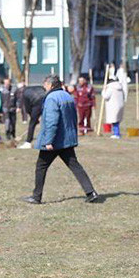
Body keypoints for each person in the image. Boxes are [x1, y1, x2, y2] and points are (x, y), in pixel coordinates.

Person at [23, 75, 99, 205]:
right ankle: (91, 192)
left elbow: (52, 121)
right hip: (66, 140)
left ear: (51, 85)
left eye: (45, 85)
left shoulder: (52, 98)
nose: (44, 88)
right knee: (75, 166)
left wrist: (48, 141)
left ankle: (36, 197)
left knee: (41, 166)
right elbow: (73, 118)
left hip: (55, 141)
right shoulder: (67, 96)